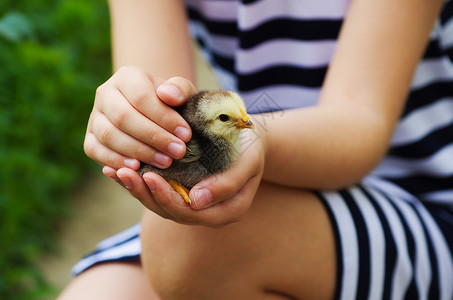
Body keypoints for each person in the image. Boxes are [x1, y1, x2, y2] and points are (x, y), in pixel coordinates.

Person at [59, 0, 453, 299]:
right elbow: (160, 96)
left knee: (191, 244)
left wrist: (256, 140)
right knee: (103, 289)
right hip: (276, 190)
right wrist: (132, 115)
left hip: (427, 199)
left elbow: (360, 119)